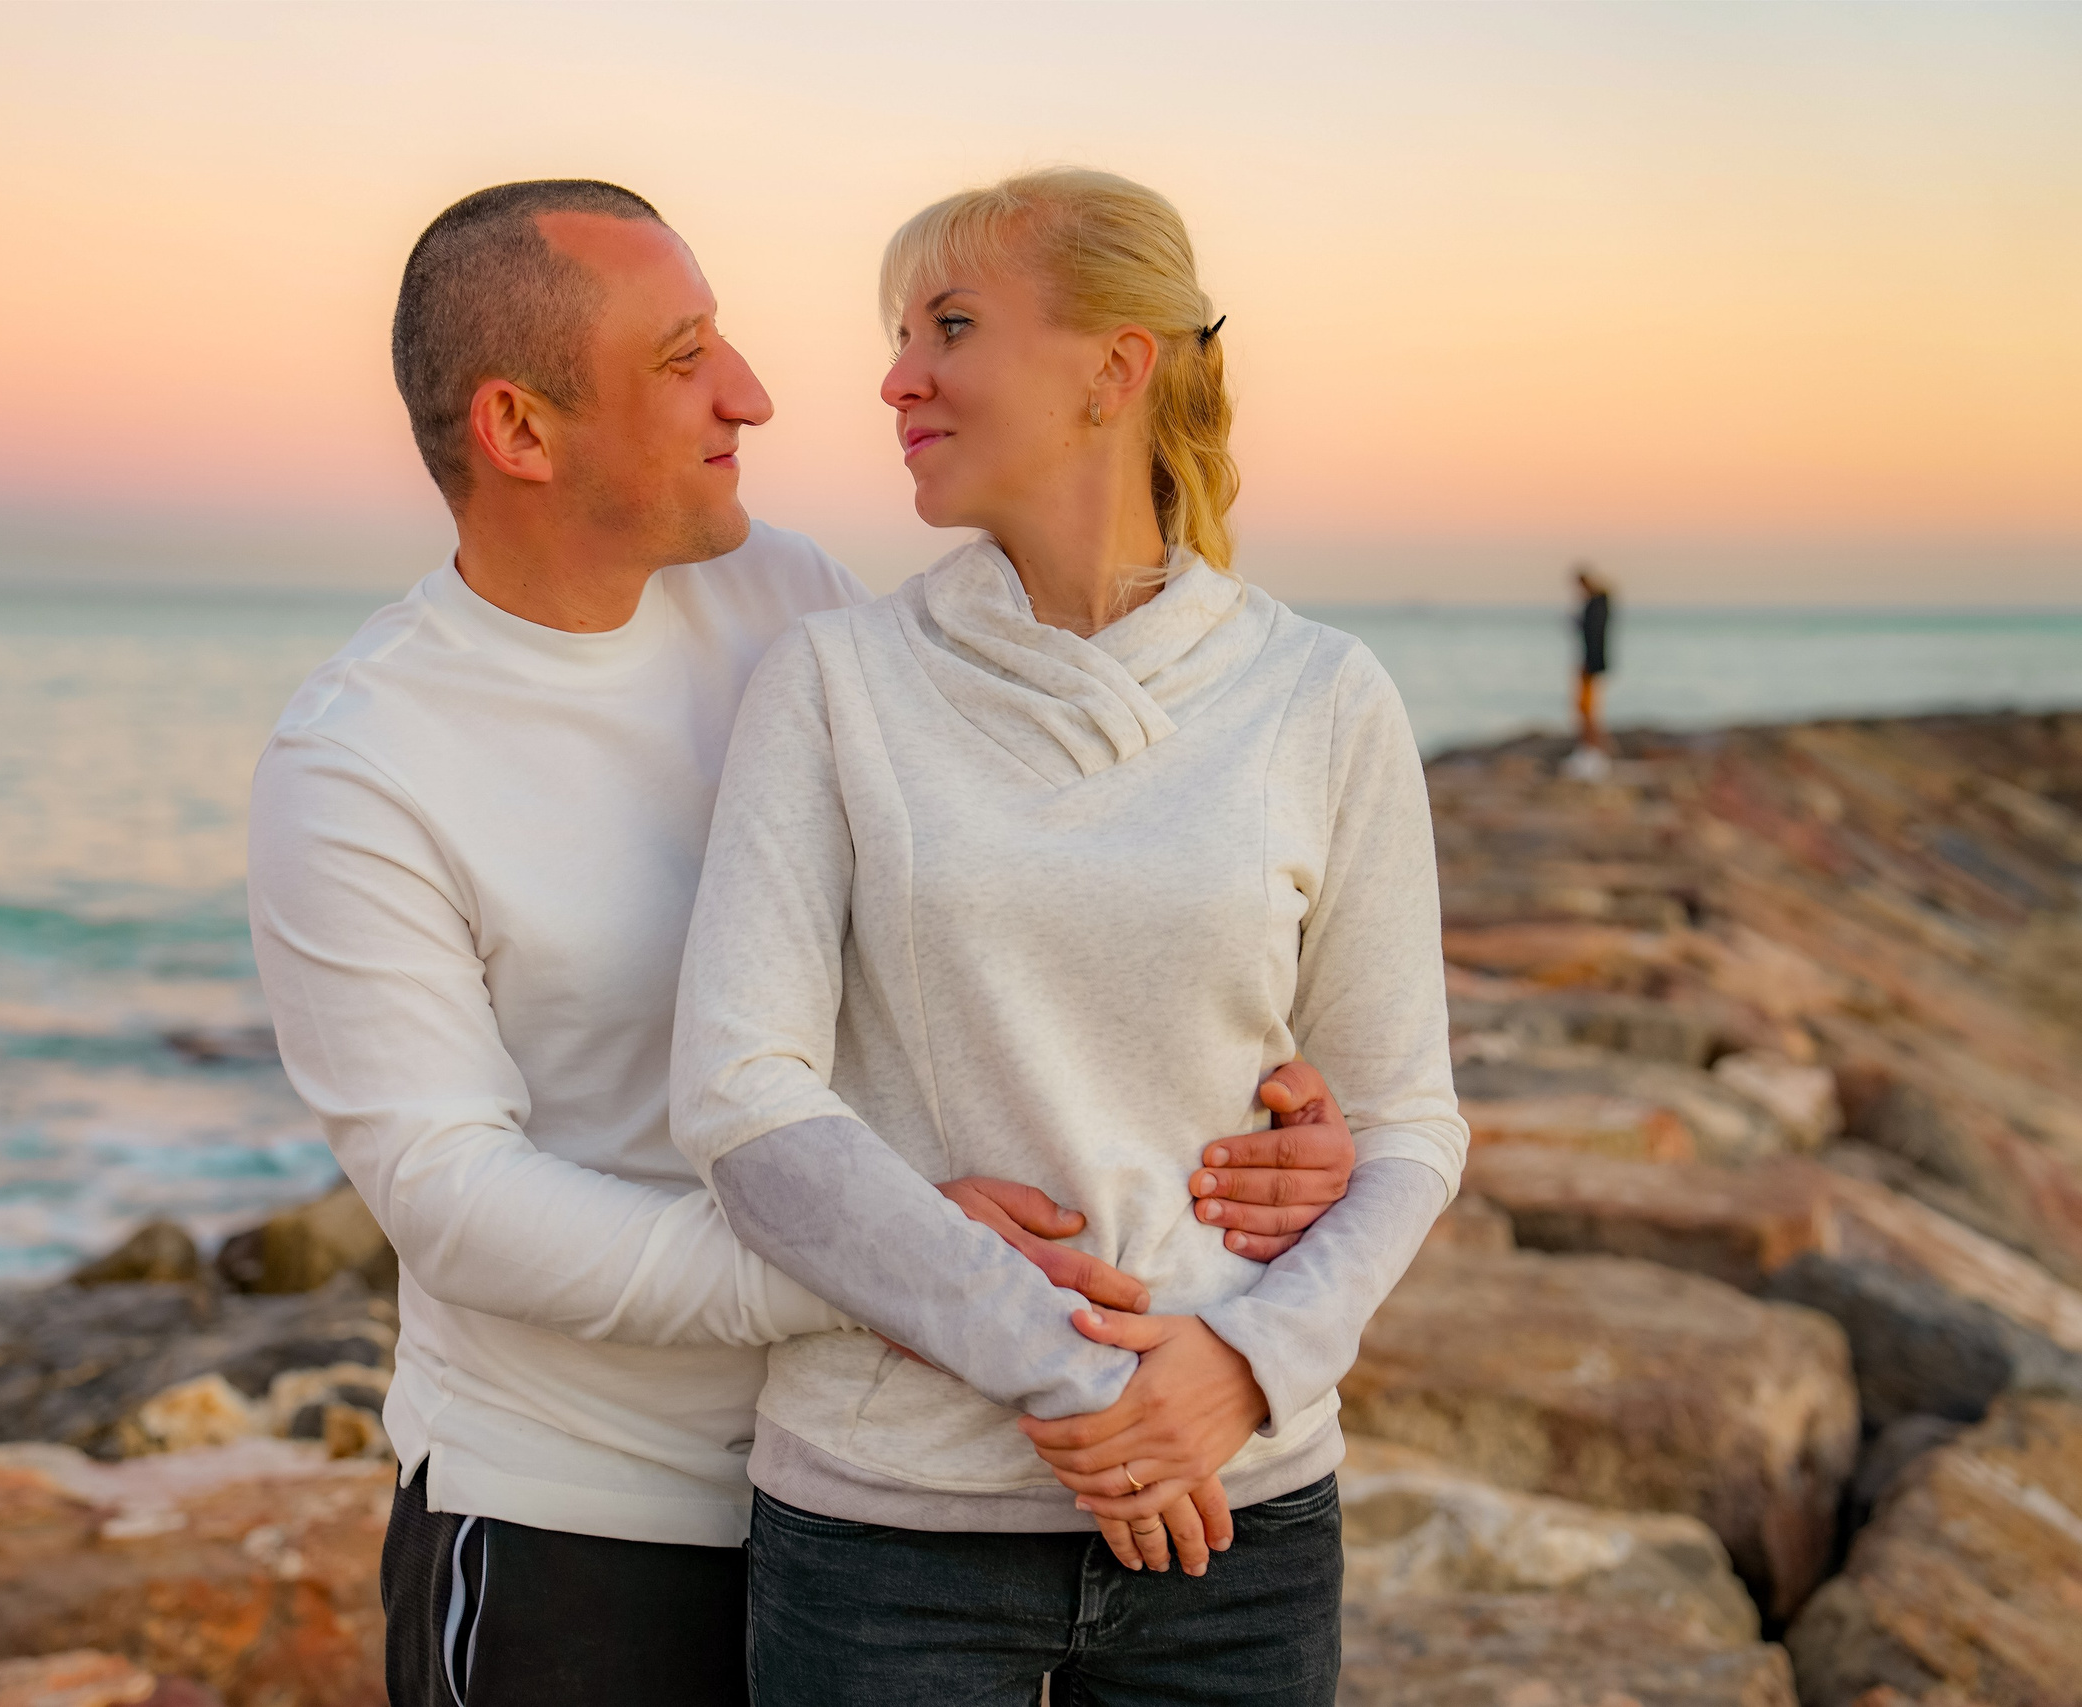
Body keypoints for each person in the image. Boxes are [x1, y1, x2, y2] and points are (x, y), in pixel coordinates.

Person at [246, 180, 1362, 1707]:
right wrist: (880, 1266)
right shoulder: (363, 757)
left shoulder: (791, 605)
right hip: (584, 1516)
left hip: (875, 1486)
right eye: (684, 355)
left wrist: (1280, 1118)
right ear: (519, 429)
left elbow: (1019, 923)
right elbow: (452, 1196)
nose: (757, 394)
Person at [671, 169, 1469, 1705]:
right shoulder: (834, 681)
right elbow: (742, 1097)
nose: (895, 376)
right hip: (891, 1526)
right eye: (896, 334)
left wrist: (1243, 1369)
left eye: (951, 325)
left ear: (1117, 368)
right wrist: (1094, 1386)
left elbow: (1406, 1119)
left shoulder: (1323, 697)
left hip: (1240, 1511)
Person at [1574, 563, 1613, 751]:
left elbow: (1594, 634)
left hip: (1592, 661)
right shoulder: (1599, 603)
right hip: (1592, 660)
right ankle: (1592, 746)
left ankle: (1593, 747)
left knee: (1586, 707)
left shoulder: (1596, 604)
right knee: (1587, 707)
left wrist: (1590, 662)